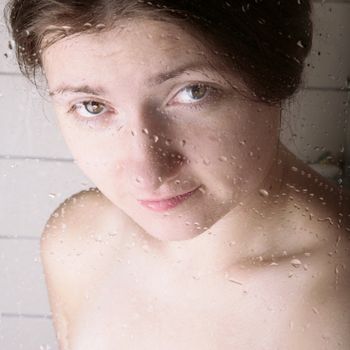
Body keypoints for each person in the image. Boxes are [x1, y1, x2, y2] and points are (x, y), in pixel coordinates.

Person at [4, 0, 350, 348]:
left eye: (193, 91)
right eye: (92, 106)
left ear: (279, 70)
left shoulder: (338, 295)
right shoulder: (75, 241)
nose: (148, 173)